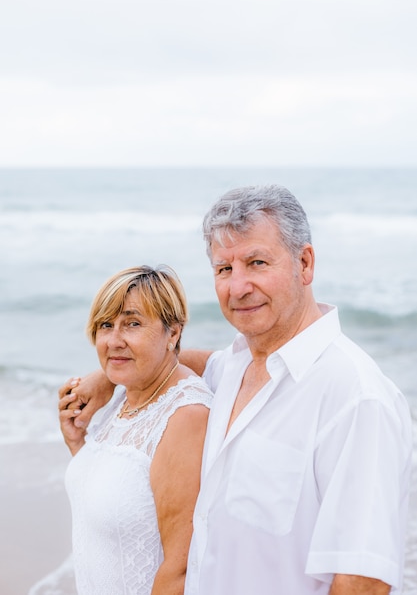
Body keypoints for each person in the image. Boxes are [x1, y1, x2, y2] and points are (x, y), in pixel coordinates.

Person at [60, 185, 412, 595]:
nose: (238, 286)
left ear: (305, 262)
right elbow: (175, 359)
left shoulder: (355, 397)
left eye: (256, 262)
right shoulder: (234, 366)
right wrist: (106, 379)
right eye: (224, 269)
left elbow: (363, 580)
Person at [59, 265, 212, 595]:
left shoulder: (186, 416)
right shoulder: (123, 395)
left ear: (173, 333)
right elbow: (120, 496)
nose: (114, 340)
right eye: (105, 325)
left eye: (132, 323)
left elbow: (182, 569)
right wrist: (79, 444)